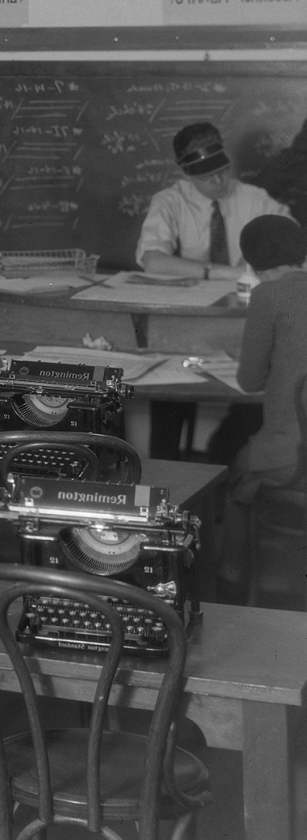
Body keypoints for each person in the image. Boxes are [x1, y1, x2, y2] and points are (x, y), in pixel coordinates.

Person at [213, 216, 307, 597]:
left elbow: (249, 381)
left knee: (240, 467)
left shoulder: (269, 296)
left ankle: (231, 580)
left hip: (292, 456)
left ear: (251, 267)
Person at [135, 121, 292, 281]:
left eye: (222, 170)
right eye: (206, 176)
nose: (218, 181)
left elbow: (295, 243)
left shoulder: (256, 199)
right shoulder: (169, 201)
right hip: (191, 297)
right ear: (185, 173)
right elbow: (153, 262)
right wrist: (223, 272)